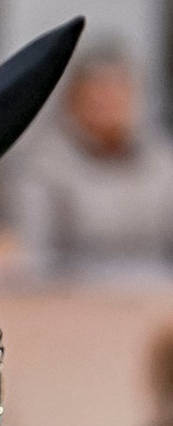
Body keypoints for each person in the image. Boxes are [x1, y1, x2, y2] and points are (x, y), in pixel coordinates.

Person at [14, 41, 173, 275]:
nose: (108, 103)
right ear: (73, 101)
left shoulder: (162, 158)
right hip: (73, 291)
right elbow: (33, 249)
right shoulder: (42, 164)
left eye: (118, 93)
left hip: (159, 286)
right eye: (98, 94)